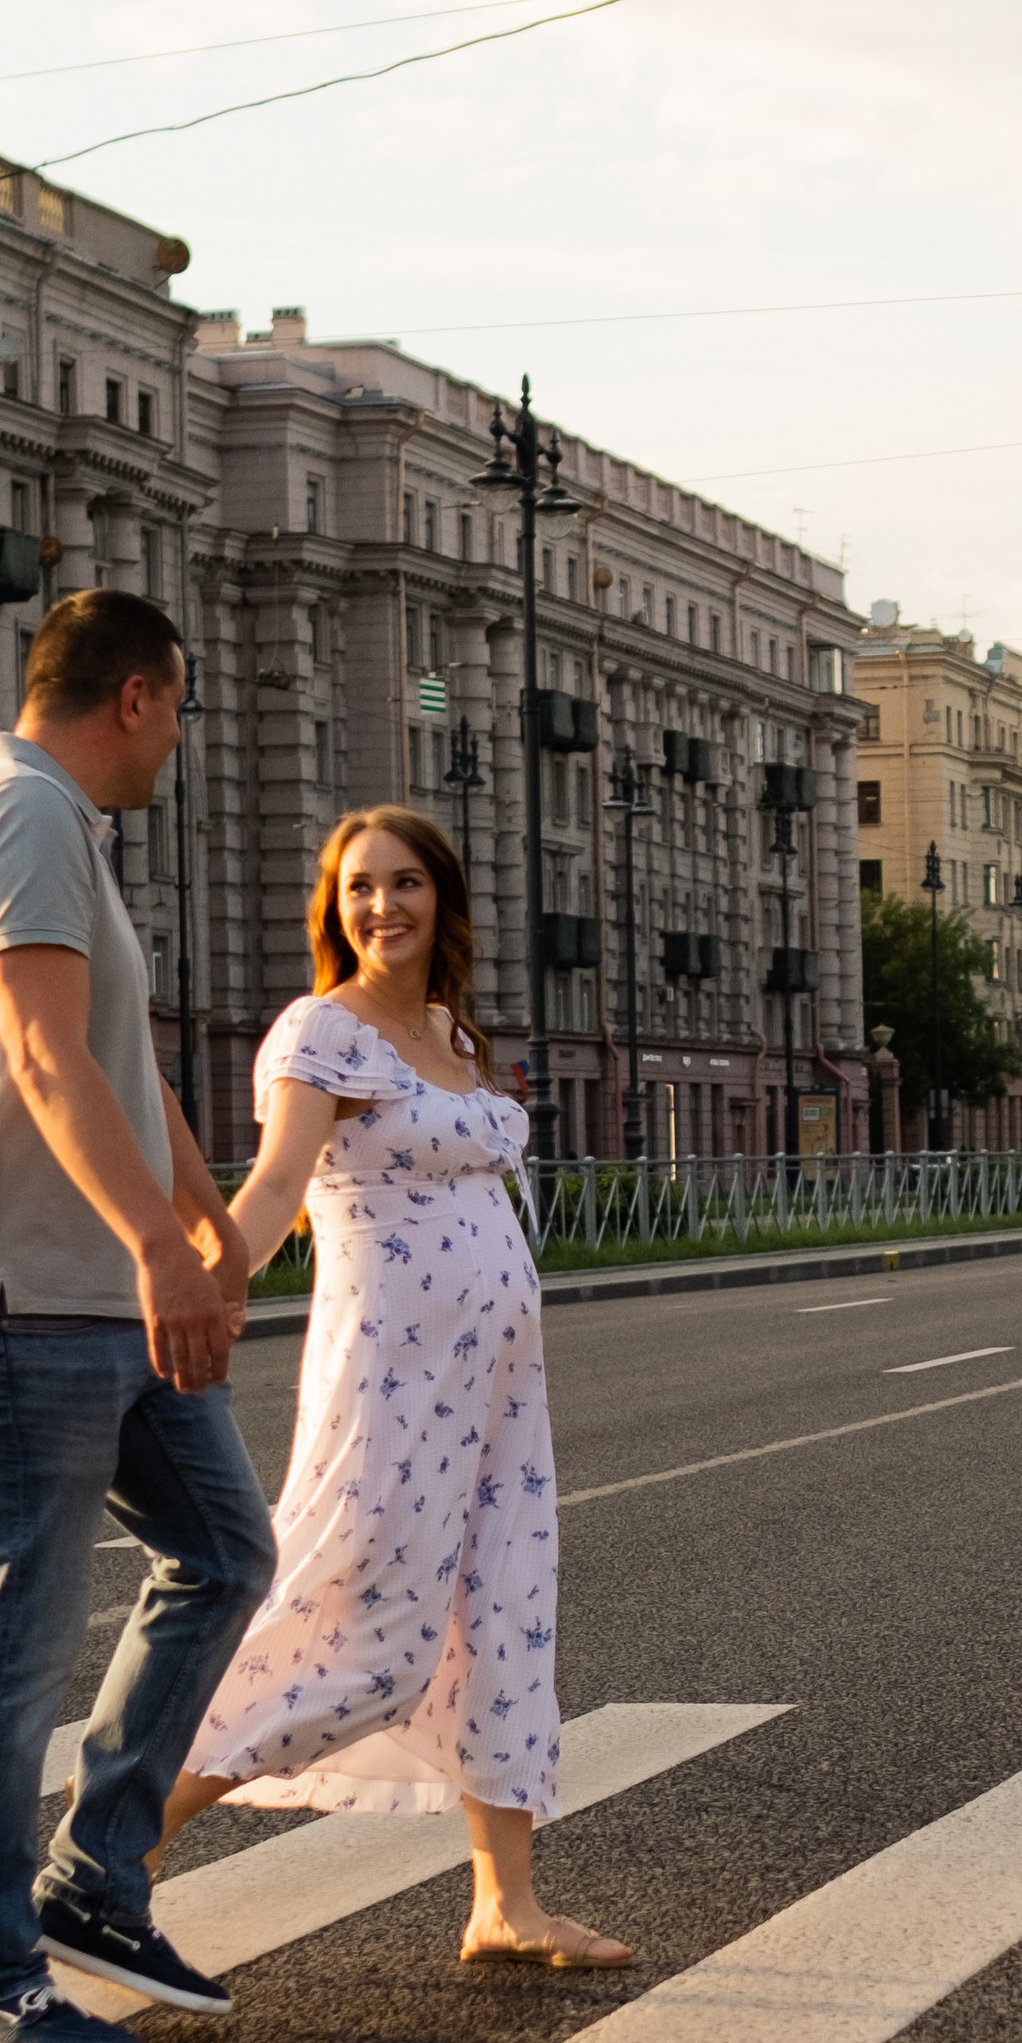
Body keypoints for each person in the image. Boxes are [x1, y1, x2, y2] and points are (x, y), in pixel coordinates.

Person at [0, 586, 275, 2043]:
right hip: (19, 1301)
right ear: (135, 697)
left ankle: (93, 1882)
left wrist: (207, 1229)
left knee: (226, 1550)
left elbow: (128, 1070)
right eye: (178, 708)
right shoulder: (17, 816)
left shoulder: (72, 840)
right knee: (16, 1639)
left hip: (97, 1291)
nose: (177, 738)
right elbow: (47, 1063)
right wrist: (156, 1252)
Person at [157, 805, 627, 1969]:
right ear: (333, 907)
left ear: (442, 899)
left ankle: (505, 1904)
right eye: (360, 887)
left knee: (503, 1618)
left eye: (406, 882)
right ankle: (115, 1837)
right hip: (390, 1384)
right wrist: (210, 1286)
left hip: (500, 1389)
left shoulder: (449, 1036)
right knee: (363, 1628)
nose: (383, 906)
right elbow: (271, 1190)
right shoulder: (323, 1032)